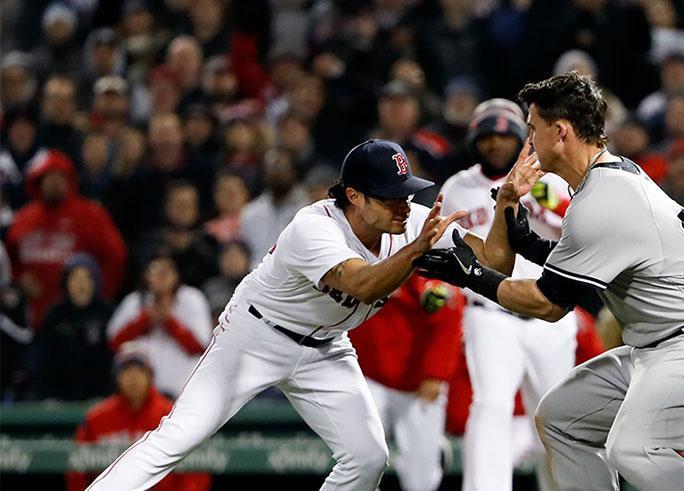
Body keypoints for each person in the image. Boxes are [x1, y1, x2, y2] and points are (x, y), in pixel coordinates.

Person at [415, 72, 684, 490]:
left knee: (633, 448)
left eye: (533, 130)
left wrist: (475, 276)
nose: (528, 141)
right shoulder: (608, 178)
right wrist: (530, 245)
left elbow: (549, 304)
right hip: (661, 345)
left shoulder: (601, 198)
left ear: (560, 132)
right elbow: (591, 268)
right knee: (560, 418)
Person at [86, 139, 508, 490]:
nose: (404, 205)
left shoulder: (412, 222)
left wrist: (507, 203)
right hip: (257, 336)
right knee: (180, 437)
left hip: (326, 348)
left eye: (407, 192)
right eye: (390, 196)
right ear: (355, 196)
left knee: (366, 457)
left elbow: (494, 261)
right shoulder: (314, 227)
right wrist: (418, 251)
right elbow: (362, 284)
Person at [438, 98, 579, 491]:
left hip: (549, 312)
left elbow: (582, 234)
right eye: (488, 135)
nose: (497, 143)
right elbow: (450, 248)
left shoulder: (549, 178)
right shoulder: (459, 188)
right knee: (491, 405)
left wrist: (547, 203)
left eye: (505, 135)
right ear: (474, 140)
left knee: (556, 418)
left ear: (522, 138)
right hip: (491, 311)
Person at [348, 275, 464, 491]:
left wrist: (435, 374)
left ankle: (435, 449)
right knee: (360, 458)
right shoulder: (364, 257)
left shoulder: (423, 265)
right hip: (369, 376)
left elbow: (449, 316)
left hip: (418, 385)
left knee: (421, 477)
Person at [4, 149, 126, 328]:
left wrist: (97, 295)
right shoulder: (24, 217)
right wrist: (19, 280)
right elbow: (8, 258)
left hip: (79, 320)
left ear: (70, 180)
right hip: (30, 318)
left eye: (60, 177)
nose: (55, 183)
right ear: (38, 181)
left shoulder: (90, 214)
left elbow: (116, 257)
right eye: (49, 177)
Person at [67, 344, 211, 491]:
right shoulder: (96, 419)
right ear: (116, 377)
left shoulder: (172, 415)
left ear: (150, 375)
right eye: (126, 370)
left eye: (140, 370)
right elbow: (76, 470)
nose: (133, 377)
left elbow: (196, 471)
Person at [106, 254, 212, 397]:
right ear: (146, 276)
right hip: (141, 397)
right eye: (156, 270)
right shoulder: (135, 301)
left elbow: (201, 346)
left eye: (167, 271)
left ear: (176, 275)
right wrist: (144, 320)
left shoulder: (191, 299)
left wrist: (170, 322)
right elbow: (114, 343)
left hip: (182, 391)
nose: (162, 276)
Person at [31, 254, 115, 401]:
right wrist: (46, 395)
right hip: (58, 399)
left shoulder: (107, 313)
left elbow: (114, 357)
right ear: (66, 283)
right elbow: (42, 358)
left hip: (100, 398)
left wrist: (108, 394)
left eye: (86, 278)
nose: (81, 284)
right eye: (75, 278)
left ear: (95, 281)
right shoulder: (55, 315)